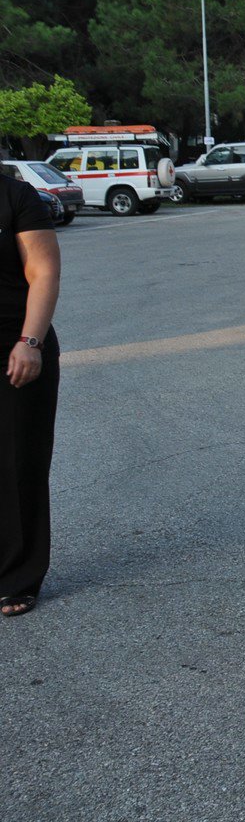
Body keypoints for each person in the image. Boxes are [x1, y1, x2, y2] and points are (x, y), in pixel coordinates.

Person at [0, 171, 60, 619]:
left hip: (16, 346)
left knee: (20, 462)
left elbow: (42, 271)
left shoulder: (15, 196)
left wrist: (31, 341)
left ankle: (18, 576)